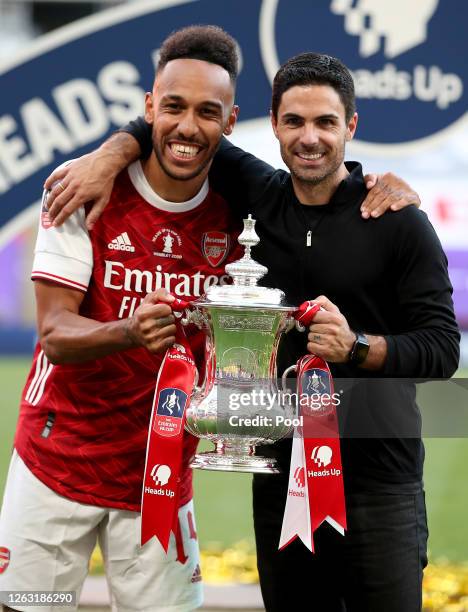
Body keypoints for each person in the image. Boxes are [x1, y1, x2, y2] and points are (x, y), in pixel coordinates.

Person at [39, 50, 438, 612]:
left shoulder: (397, 222)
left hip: (380, 482)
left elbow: (441, 347)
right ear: (271, 124)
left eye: (326, 122)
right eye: (294, 121)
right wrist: (108, 157)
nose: (310, 138)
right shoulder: (258, 193)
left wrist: (360, 347)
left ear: (350, 126)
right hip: (277, 472)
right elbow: (174, 123)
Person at [0, 25, 244, 612]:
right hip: (57, 462)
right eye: (174, 107)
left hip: (160, 470)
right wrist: (128, 332)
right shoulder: (83, 189)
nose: (188, 127)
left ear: (230, 122)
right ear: (148, 109)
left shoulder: (243, 213)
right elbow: (55, 333)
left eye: (208, 112)